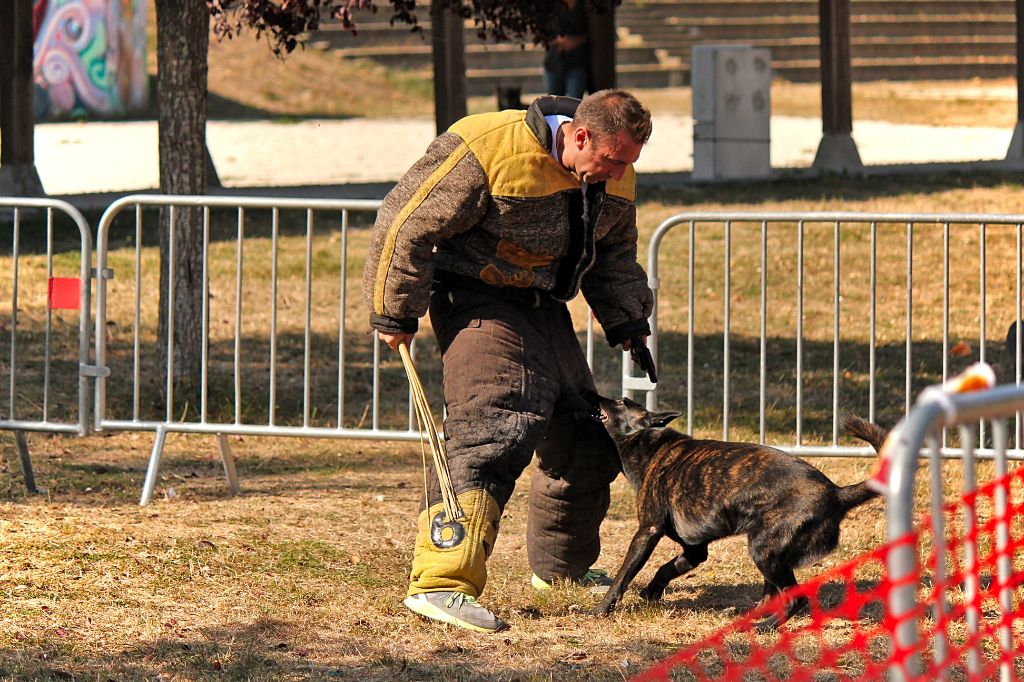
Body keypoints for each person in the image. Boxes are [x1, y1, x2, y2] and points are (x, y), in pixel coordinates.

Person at [362, 89, 654, 633]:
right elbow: (405, 220)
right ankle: (441, 583)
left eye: (629, 162)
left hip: (543, 305)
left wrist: (628, 322)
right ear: (580, 135)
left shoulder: (616, 170)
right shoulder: (487, 146)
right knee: (494, 427)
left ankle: (561, 573)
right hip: (474, 297)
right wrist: (394, 310)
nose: (618, 172)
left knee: (587, 439)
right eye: (612, 160)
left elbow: (613, 254)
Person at [543, 0, 589, 99]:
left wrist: (574, 41)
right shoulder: (552, 6)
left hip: (577, 63)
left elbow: (592, 33)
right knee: (553, 106)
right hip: (553, 63)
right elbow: (542, 33)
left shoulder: (584, 6)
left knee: (574, 105)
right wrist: (558, 40)